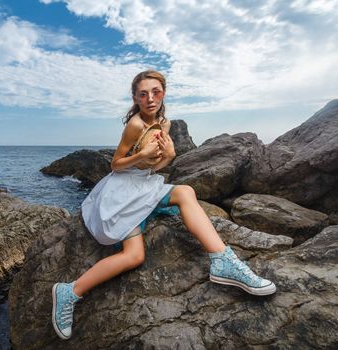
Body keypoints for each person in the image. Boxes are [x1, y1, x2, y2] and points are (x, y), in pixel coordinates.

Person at [51, 70, 276, 340]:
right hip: (122, 192)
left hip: (145, 185)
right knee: (135, 256)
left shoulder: (164, 123)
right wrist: (142, 155)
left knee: (185, 192)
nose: (150, 98)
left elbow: (154, 167)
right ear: (135, 97)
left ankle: (223, 261)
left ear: (164, 93)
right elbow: (115, 165)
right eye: (143, 93)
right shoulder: (135, 125)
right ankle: (69, 291)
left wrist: (168, 157)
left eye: (156, 92)